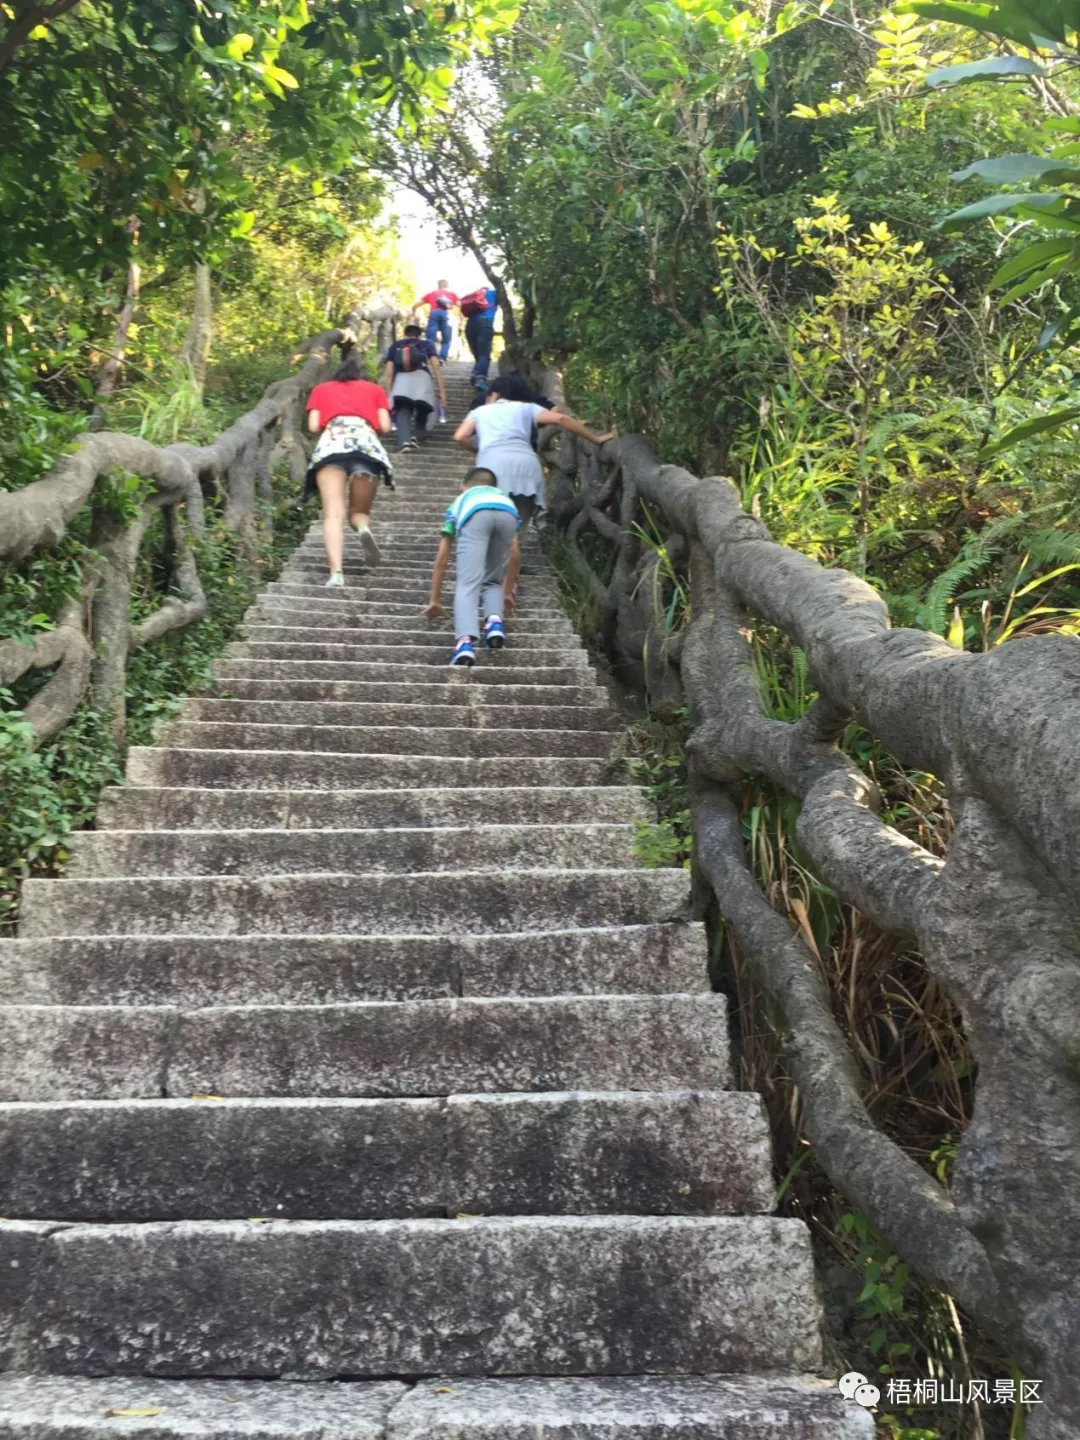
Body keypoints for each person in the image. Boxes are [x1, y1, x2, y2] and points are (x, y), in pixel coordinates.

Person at [305, 354, 393, 586]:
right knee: (358, 513)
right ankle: (362, 527)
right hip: (366, 449)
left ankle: (336, 574)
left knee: (333, 515)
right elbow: (385, 426)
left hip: (331, 448)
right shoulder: (374, 390)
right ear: (362, 375)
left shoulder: (321, 390)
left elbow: (313, 426)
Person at [423, 467, 521, 667]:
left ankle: (464, 643)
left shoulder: (463, 500)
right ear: (494, 486)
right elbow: (515, 554)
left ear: (463, 487)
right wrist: (508, 592)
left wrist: (435, 599)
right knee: (492, 579)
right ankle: (494, 621)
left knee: (468, 582)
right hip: (509, 516)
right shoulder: (504, 499)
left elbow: (442, 558)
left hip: (476, 516)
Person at [382, 324, 447, 451]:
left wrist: (389, 394)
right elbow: (436, 367)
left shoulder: (395, 346)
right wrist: (442, 391)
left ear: (404, 334)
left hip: (402, 380)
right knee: (424, 408)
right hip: (422, 379)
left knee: (402, 410)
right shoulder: (426, 344)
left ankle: (404, 441)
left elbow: (389, 373)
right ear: (419, 335)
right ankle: (417, 435)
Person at [411, 279, 458, 380]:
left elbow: (416, 304)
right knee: (446, 340)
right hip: (446, 316)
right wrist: (461, 321)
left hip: (434, 314)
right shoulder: (452, 294)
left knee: (430, 338)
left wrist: (413, 312)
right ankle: (442, 358)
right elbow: (460, 305)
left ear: (438, 285)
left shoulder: (431, 294)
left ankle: (430, 357)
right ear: (447, 285)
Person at [460, 286, 499, 393]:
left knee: (478, 355)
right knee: (484, 355)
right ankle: (480, 379)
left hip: (470, 325)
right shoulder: (496, 293)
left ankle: (475, 374)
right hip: (484, 323)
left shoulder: (476, 296)